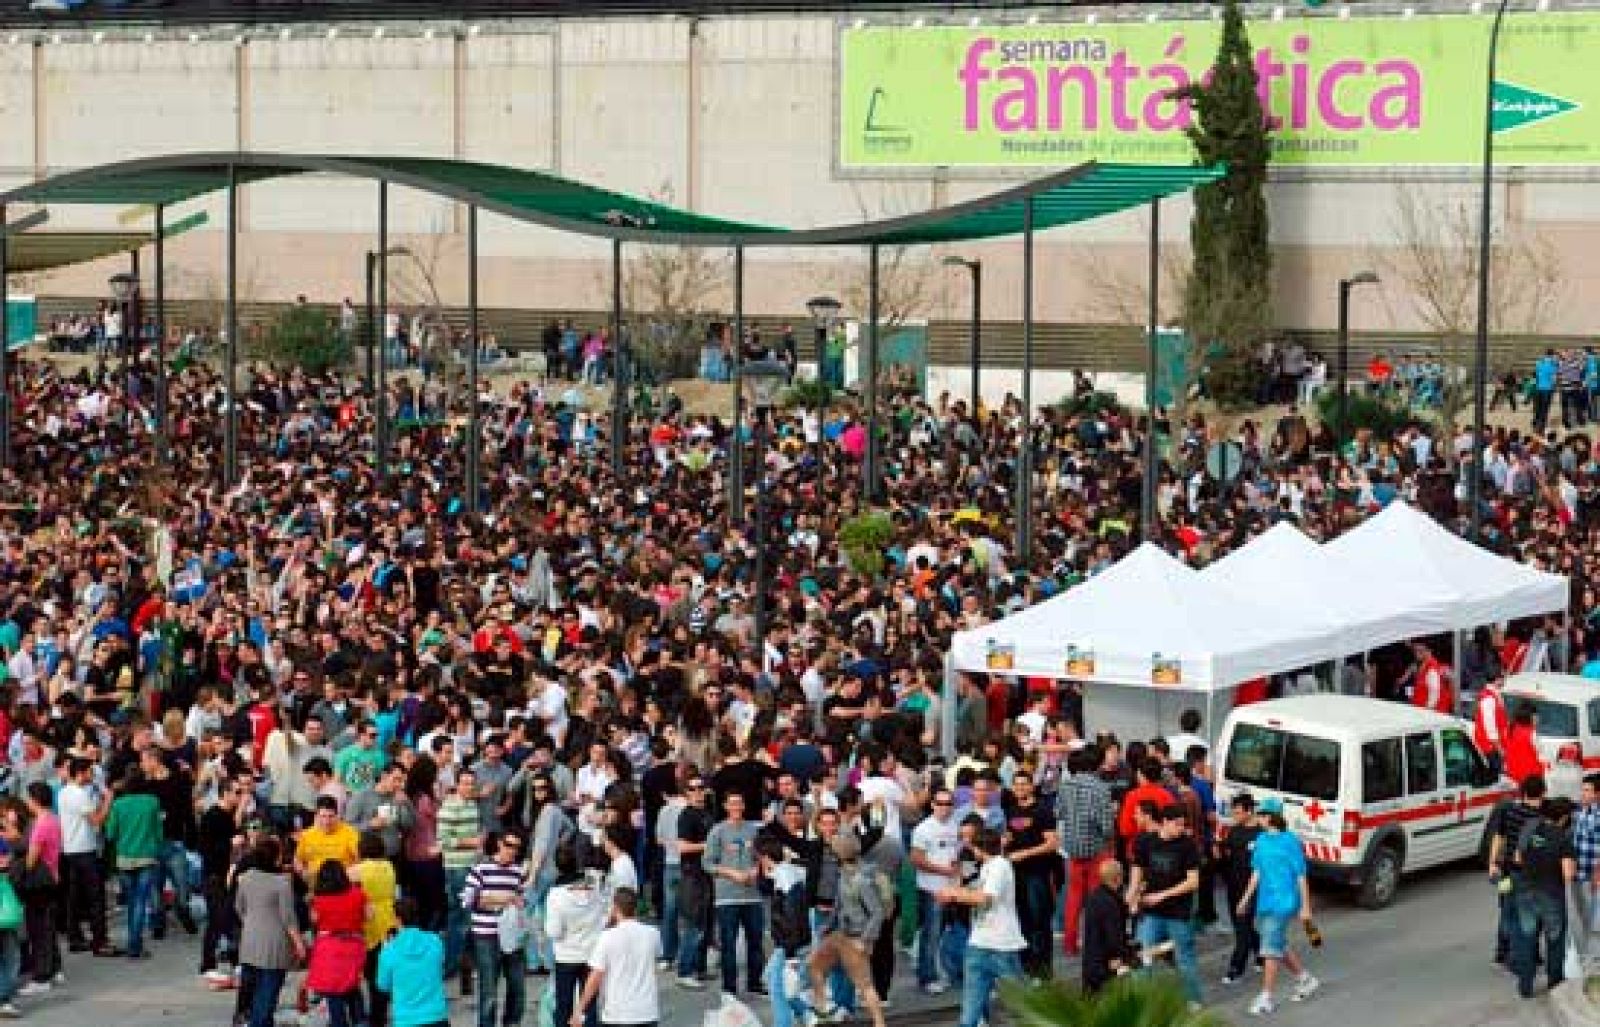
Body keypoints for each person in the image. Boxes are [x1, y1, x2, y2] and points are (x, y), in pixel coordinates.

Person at [1236, 797, 1319, 1016]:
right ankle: (1305, 979)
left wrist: (1305, 907)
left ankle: (1266, 997)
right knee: (1277, 943)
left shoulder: (1290, 841)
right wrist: (1245, 898)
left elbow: (1301, 876)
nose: (1258, 817)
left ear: (1272, 817)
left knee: (1270, 949)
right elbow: (1256, 872)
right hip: (1265, 901)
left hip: (1285, 901)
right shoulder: (1261, 840)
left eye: (1262, 814)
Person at [938, 827, 1025, 1027]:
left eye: (969, 838)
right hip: (979, 943)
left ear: (979, 847)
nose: (966, 842)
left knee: (1020, 1005)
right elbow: (968, 885)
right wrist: (955, 890)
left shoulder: (999, 866)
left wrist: (954, 894)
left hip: (1001, 944)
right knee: (970, 1010)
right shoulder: (982, 864)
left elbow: (985, 898)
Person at [1128, 804, 1204, 1009]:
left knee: (1184, 957)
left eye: (1183, 825)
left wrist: (1162, 895)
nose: (1181, 829)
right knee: (1143, 956)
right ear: (1164, 822)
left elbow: (1193, 882)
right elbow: (1137, 868)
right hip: (1150, 912)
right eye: (1177, 824)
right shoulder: (1145, 841)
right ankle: (1140, 1002)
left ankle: (1193, 999)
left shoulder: (1188, 845)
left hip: (1178, 913)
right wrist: (1132, 895)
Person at [807, 833, 887, 1027]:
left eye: (834, 851)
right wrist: (828, 926)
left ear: (840, 854)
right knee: (814, 966)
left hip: (857, 938)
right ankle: (823, 1013)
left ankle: (879, 1022)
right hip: (841, 933)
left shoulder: (862, 880)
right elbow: (839, 903)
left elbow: (877, 912)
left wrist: (865, 941)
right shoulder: (844, 874)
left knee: (865, 985)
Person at [1510, 796, 1578, 999]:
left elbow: (1517, 858)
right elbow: (1567, 874)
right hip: (1551, 894)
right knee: (1554, 939)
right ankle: (1554, 983)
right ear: (1564, 817)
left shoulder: (1530, 828)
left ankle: (1525, 986)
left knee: (1527, 938)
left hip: (1525, 890)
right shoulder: (1562, 837)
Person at [235, 836, 306, 1027]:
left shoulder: (245, 878)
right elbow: (289, 918)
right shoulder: (281, 883)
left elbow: (239, 908)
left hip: (249, 943)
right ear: (276, 857)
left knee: (252, 990)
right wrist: (299, 944)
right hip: (275, 946)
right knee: (267, 995)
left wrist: (253, 924)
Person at [462, 831, 530, 1027]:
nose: (513, 851)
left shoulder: (518, 872)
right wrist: (503, 899)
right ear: (500, 844)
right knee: (489, 991)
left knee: (518, 988)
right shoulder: (481, 869)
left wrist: (519, 903)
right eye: (509, 845)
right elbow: (468, 900)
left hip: (512, 936)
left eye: (517, 847)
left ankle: (512, 1023)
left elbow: (522, 900)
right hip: (486, 937)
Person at [703, 791, 764, 997]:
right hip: (727, 896)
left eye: (739, 803)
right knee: (728, 944)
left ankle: (755, 983)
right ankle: (729, 987)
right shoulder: (717, 831)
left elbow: (762, 856)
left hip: (752, 895)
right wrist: (730, 873)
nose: (736, 807)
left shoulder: (753, 830)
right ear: (726, 806)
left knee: (755, 941)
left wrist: (756, 869)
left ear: (744, 806)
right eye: (732, 803)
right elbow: (707, 863)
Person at [572, 887, 661, 1027]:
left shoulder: (607, 937)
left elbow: (595, 977)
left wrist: (579, 1009)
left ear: (615, 908)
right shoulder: (653, 933)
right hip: (647, 1012)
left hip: (617, 1014)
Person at [1056, 746, 1115, 959]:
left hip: (1073, 849)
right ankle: (1094, 942)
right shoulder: (1101, 789)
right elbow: (1107, 827)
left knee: (1073, 899)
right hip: (1096, 849)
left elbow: (1059, 813)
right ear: (1097, 765)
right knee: (1096, 899)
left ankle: (1070, 944)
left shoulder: (1065, 786)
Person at [102, 766, 163, 959]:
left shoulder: (119, 804)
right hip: (146, 856)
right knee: (141, 901)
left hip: (124, 857)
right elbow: (159, 832)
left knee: (131, 902)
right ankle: (135, 945)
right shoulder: (152, 802)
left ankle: (133, 942)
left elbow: (110, 833)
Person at [909, 785, 960, 995]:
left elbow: (958, 855)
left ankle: (945, 971)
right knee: (931, 934)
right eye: (940, 803)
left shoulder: (956, 825)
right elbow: (916, 859)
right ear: (932, 805)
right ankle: (927, 977)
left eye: (948, 803)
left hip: (954, 890)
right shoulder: (923, 829)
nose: (944, 807)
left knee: (949, 934)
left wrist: (957, 872)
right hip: (931, 890)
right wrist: (944, 870)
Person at [546, 842, 603, 1027]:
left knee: (563, 1006)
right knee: (589, 1004)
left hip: (566, 956)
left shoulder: (556, 895)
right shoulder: (593, 886)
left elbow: (554, 931)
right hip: (591, 953)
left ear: (557, 866)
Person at [308, 860, 370, 1027]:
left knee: (332, 989)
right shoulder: (358, 893)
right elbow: (369, 915)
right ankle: (360, 1020)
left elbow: (314, 919)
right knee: (351, 983)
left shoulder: (319, 899)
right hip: (353, 944)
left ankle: (339, 1022)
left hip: (328, 946)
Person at [377, 897, 450, 1027]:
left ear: (398, 919)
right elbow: (440, 966)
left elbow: (383, 985)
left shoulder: (389, 951)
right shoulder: (435, 942)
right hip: (437, 1015)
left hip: (406, 1019)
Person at [351, 831, 399, 1027]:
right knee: (385, 968)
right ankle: (381, 1011)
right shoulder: (389, 866)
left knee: (372, 972)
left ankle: (375, 1016)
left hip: (369, 920)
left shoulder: (357, 870)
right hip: (389, 919)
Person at [1219, 793, 1263, 984]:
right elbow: (1227, 852)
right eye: (1234, 812)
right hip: (1233, 886)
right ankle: (1261, 951)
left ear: (1249, 811)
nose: (1234, 816)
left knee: (1242, 927)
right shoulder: (1234, 831)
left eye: (1238, 813)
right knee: (1240, 925)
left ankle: (1236, 968)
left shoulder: (1261, 835)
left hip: (1251, 888)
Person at [1080, 858, 1131, 994]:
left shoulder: (1093, 897)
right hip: (1105, 961)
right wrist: (1124, 954)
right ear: (1118, 878)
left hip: (1090, 958)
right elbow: (1114, 936)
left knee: (1089, 996)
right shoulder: (1111, 903)